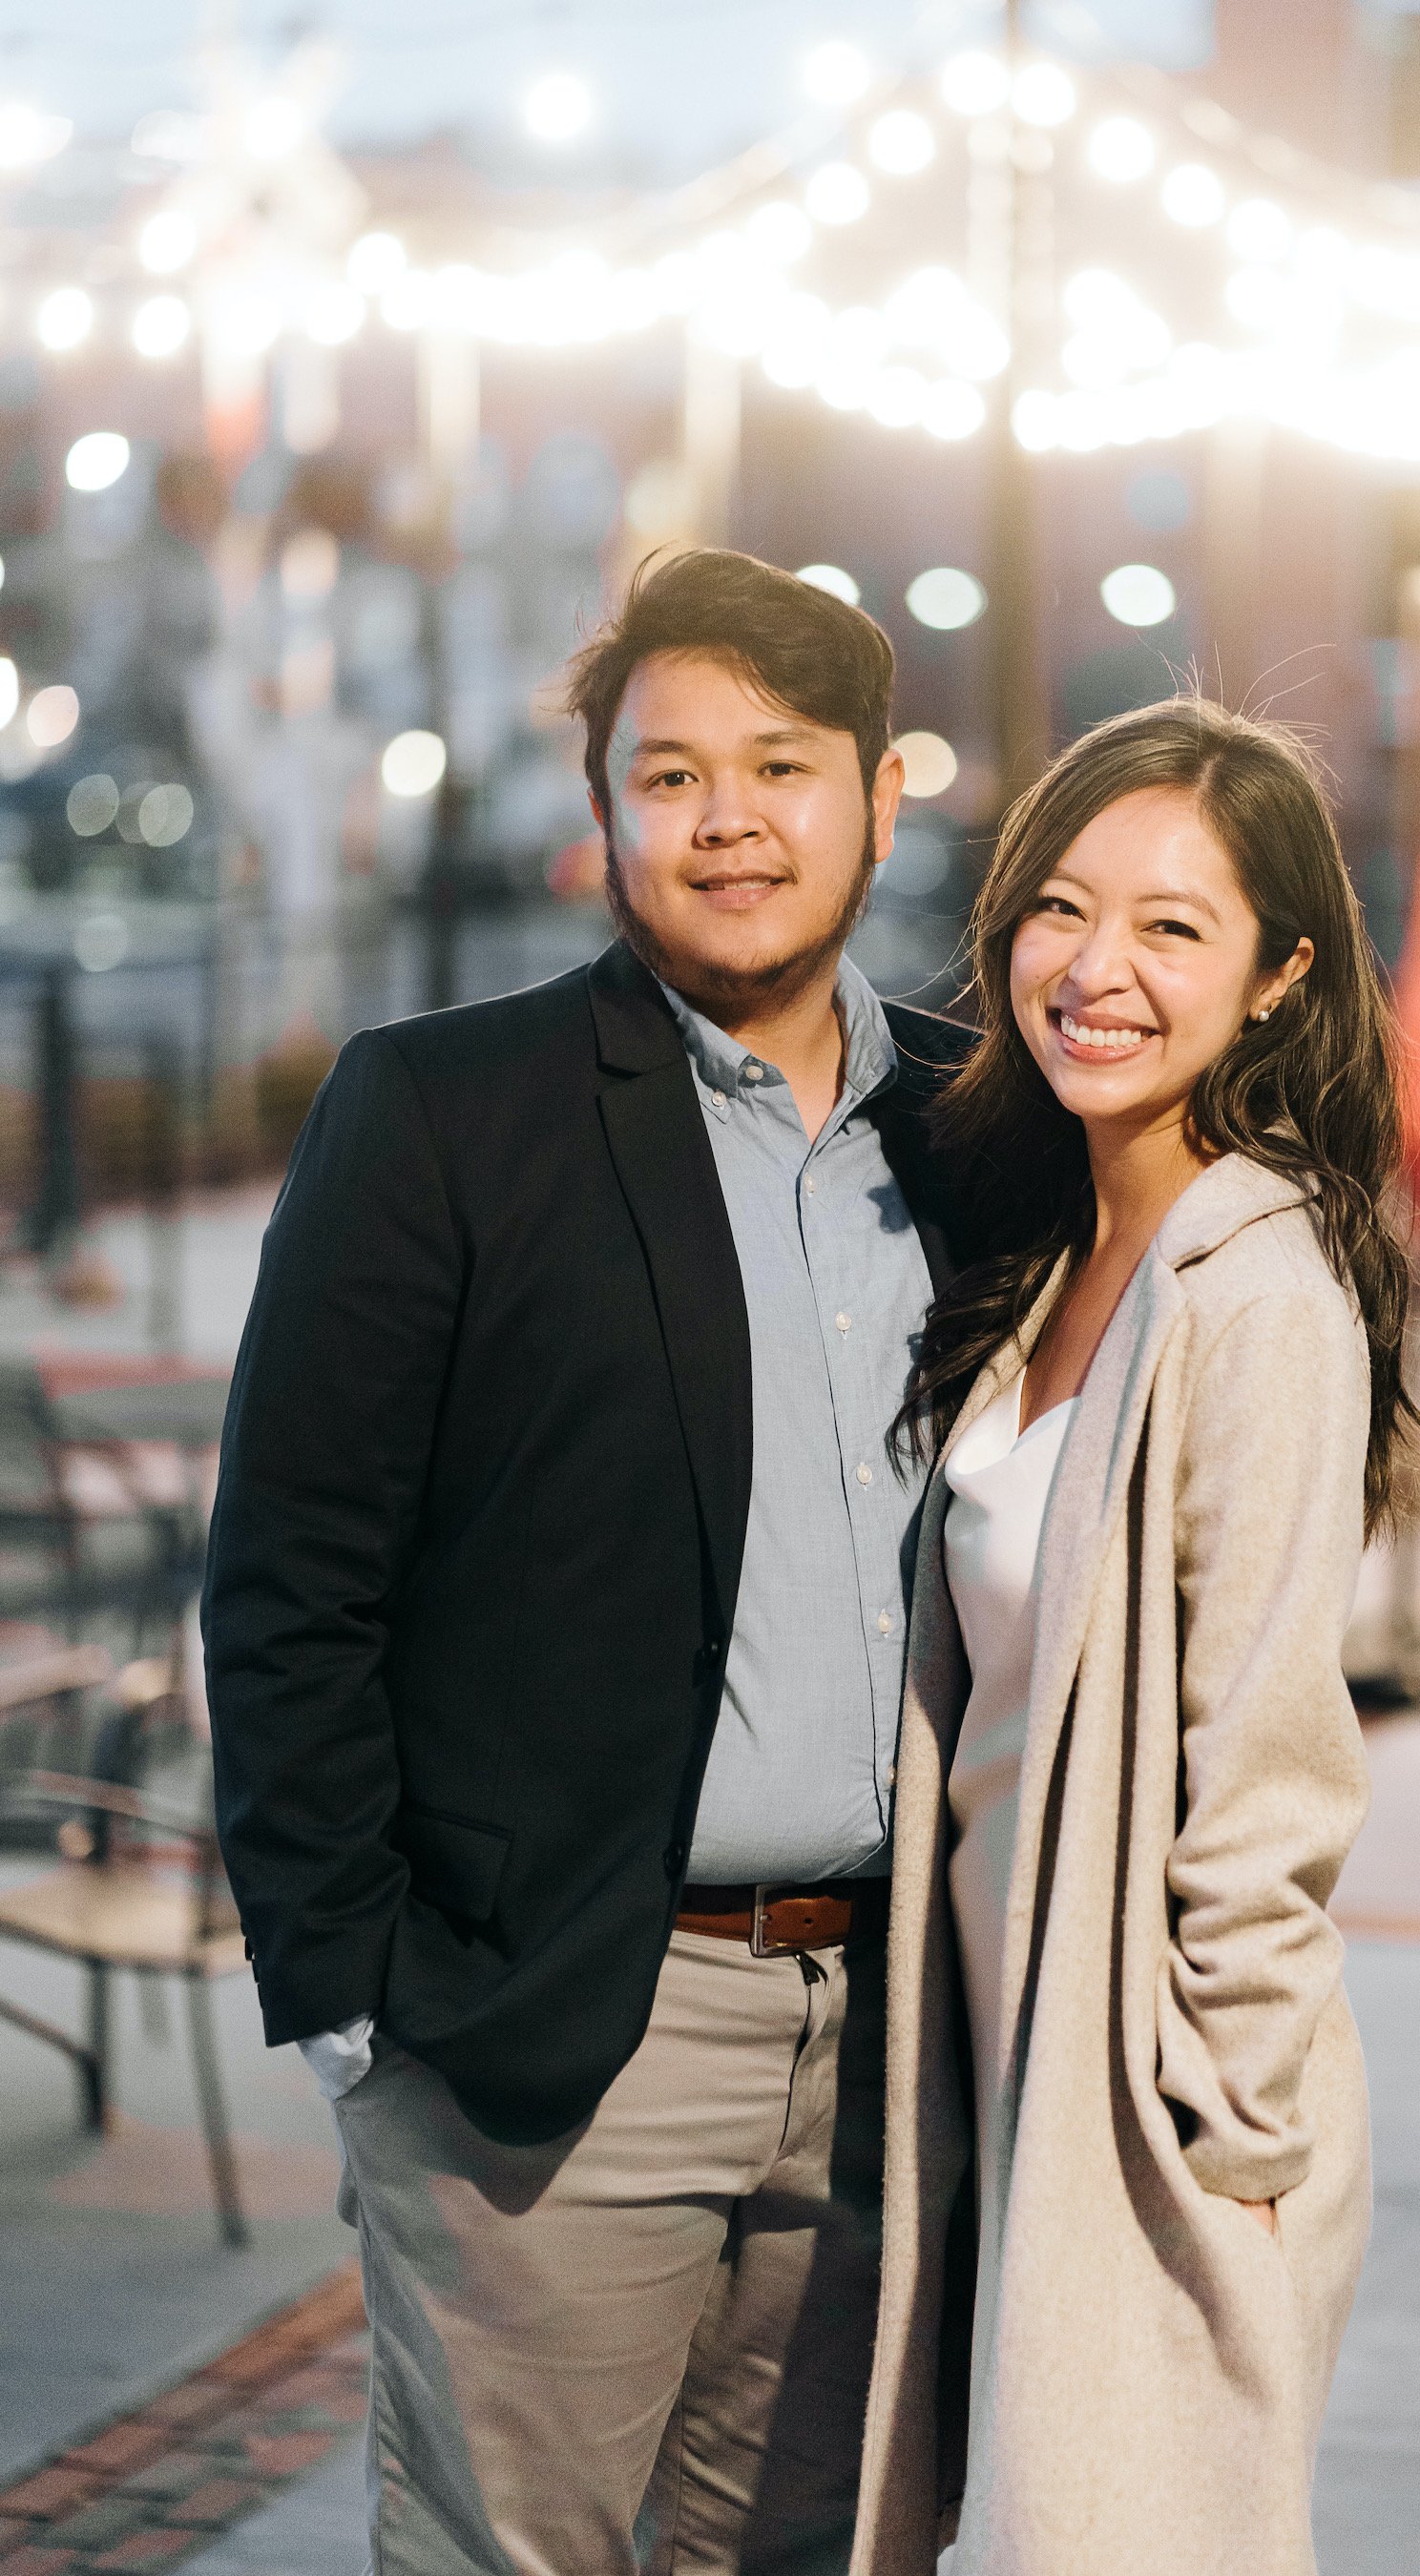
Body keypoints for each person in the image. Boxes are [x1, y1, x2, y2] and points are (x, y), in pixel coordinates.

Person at [203, 546, 976, 2576]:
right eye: (671, 775)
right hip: (558, 2032)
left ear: (881, 796)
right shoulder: (447, 1113)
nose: (729, 820)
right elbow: (290, 1579)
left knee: (805, 2557)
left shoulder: (982, 1131)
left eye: (783, 767)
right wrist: (354, 2002)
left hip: (896, 2028)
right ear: (608, 814)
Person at [852, 698, 1420, 2576]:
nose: (1096, 969)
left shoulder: (1257, 1296)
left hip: (1150, 2099)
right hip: (999, 2044)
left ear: (1278, 978)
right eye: (1062, 909)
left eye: (1174, 929)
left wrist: (1233, 2139)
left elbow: (1267, 1766)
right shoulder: (1050, 1248)